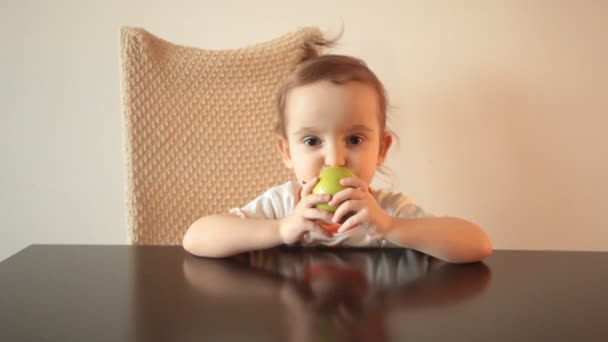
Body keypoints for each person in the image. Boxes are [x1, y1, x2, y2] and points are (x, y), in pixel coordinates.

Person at [183, 43, 493, 263]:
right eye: (312, 141)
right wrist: (280, 229)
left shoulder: (385, 210)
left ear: (382, 149)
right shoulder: (283, 205)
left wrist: (389, 227)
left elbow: (477, 244)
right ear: (286, 151)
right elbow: (195, 238)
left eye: (355, 139)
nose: (335, 160)